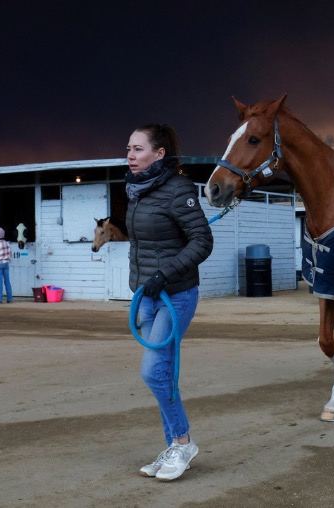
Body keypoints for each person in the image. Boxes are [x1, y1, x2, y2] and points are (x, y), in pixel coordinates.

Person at [126, 124, 213, 481]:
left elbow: (202, 241)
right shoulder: (136, 190)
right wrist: (140, 284)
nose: (130, 155)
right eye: (128, 149)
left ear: (159, 154)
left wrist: (166, 273)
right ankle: (173, 446)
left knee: (152, 371)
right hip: (145, 295)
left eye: (138, 149)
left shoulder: (178, 189)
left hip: (175, 294)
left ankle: (183, 441)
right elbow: (142, 246)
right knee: (163, 374)